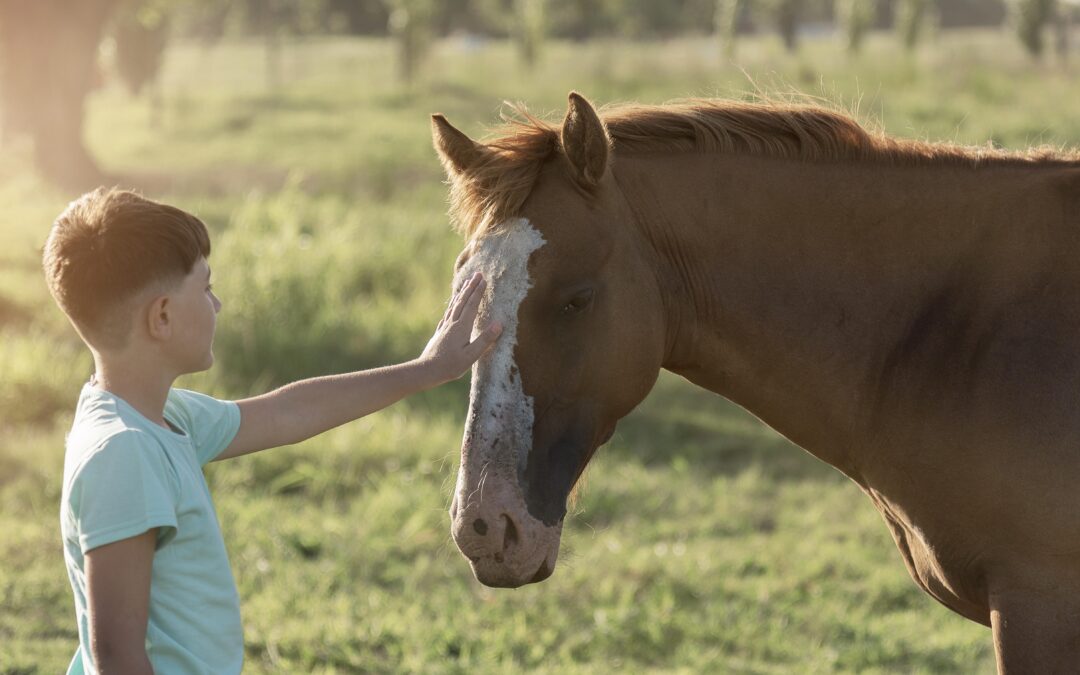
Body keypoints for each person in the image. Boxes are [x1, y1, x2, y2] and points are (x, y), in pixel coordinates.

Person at [42, 187, 502, 674]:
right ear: (161, 317)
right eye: (204, 288)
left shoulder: (160, 415)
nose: (216, 304)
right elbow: (116, 654)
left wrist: (427, 370)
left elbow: (288, 412)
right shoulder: (123, 454)